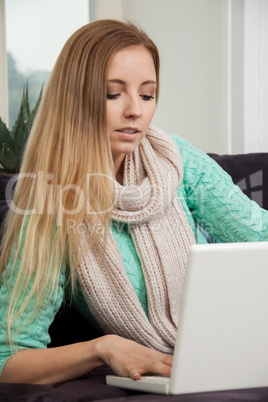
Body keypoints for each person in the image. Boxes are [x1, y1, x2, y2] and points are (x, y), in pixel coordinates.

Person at [0, 19, 267, 385]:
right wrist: (102, 348)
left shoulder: (177, 160)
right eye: (113, 94)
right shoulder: (49, 206)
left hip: (247, 341)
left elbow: (260, 236)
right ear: (74, 99)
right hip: (179, 372)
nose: (135, 111)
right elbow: (9, 359)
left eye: (147, 94)